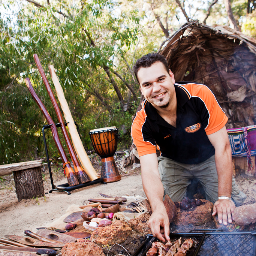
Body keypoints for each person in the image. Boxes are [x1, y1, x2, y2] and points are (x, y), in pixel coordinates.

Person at [131, 53, 246, 242]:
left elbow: (223, 147)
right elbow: (150, 170)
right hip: (173, 163)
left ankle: (205, 185)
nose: (156, 89)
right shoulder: (141, 123)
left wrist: (224, 197)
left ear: (171, 76)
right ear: (141, 89)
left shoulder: (200, 95)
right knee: (171, 211)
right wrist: (158, 207)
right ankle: (195, 188)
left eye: (161, 79)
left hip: (209, 158)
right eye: (147, 84)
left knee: (231, 207)